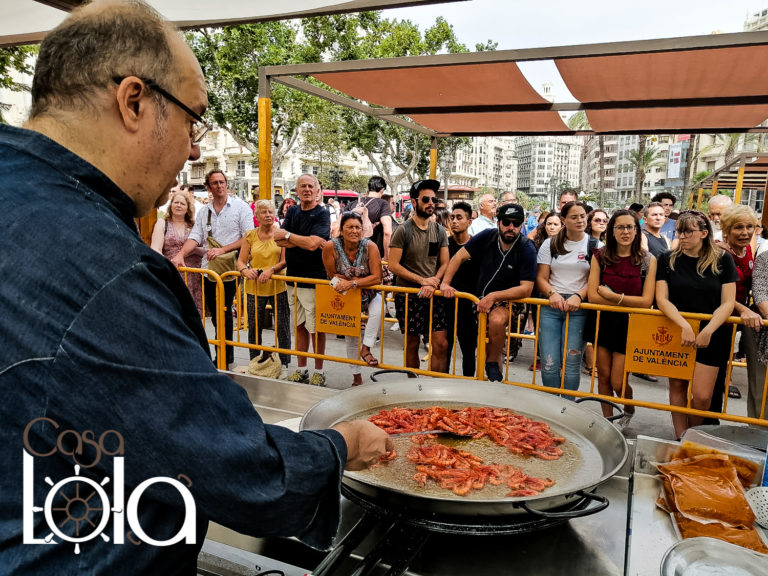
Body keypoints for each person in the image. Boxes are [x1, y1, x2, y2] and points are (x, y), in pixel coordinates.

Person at [0, 2, 390, 573]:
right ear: (134, 101)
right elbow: (239, 473)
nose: (194, 149)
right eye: (193, 119)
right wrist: (343, 444)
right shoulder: (104, 270)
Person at [656, 210, 737, 438]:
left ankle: (691, 434)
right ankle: (680, 436)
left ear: (703, 233)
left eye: (688, 232)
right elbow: (662, 299)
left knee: (702, 396)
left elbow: (728, 302)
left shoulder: (723, 259)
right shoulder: (667, 259)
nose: (682, 236)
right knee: (677, 386)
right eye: (679, 232)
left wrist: (709, 329)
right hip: (677, 328)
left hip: (712, 332)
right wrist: (683, 325)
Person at [441, 204, 537, 382]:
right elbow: (458, 257)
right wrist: (445, 283)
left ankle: (492, 363)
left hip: (508, 299)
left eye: (516, 224)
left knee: (497, 320)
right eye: (506, 222)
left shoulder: (527, 248)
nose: (511, 227)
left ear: (522, 224)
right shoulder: (486, 236)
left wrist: (493, 297)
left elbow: (526, 288)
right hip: (477, 299)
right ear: (498, 222)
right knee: (472, 345)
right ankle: (483, 379)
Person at [173, 169, 253, 368]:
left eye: (222, 182)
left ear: (227, 183)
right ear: (208, 187)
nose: (219, 186)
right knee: (216, 314)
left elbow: (249, 237)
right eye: (215, 183)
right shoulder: (204, 211)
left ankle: (225, 356)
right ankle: (222, 353)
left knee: (224, 310)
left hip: (231, 268)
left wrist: (222, 250)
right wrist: (181, 254)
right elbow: (195, 236)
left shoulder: (241, 207)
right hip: (209, 269)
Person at [587, 210, 657, 430]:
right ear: (612, 230)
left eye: (630, 227)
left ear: (637, 230)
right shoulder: (600, 256)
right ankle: (608, 422)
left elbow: (646, 301)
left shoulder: (647, 260)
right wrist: (626, 301)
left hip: (631, 325)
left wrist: (613, 297)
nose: (625, 232)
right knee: (603, 376)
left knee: (618, 381)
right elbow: (593, 296)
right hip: (603, 322)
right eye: (620, 227)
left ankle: (628, 408)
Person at [536, 201, 600, 392]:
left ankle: (567, 405)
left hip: (579, 308)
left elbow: (595, 281)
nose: (580, 220)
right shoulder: (550, 243)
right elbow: (541, 277)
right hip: (551, 306)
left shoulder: (595, 245)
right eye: (574, 217)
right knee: (549, 362)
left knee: (572, 362)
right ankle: (552, 404)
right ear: (564, 220)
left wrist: (579, 296)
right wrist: (552, 293)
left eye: (582, 216)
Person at [273, 174, 331, 386]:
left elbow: (313, 244)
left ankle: (319, 370)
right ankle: (301, 368)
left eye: (310, 186)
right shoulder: (292, 211)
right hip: (293, 279)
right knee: (299, 326)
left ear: (317, 190)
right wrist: (302, 241)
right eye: (302, 186)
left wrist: (290, 236)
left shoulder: (322, 214)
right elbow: (278, 239)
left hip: (315, 280)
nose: (306, 189)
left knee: (316, 328)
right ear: (296, 191)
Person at [388, 179, 450, 373]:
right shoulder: (403, 230)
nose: (431, 203)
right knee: (412, 344)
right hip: (408, 296)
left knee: (441, 343)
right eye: (426, 199)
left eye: (434, 199)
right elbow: (393, 265)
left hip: (433, 295)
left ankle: (436, 386)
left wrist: (433, 283)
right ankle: (413, 385)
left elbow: (445, 262)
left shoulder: (439, 230)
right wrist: (422, 281)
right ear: (414, 202)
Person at [322, 212, 383, 386]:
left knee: (378, 309)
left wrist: (353, 283)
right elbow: (331, 275)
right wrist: (348, 284)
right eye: (350, 227)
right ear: (341, 230)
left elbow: (377, 277)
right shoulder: (330, 246)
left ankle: (367, 348)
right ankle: (356, 377)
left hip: (368, 292)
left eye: (358, 227)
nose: (354, 231)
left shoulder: (370, 246)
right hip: (343, 291)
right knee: (350, 335)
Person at [236, 200, 291, 373]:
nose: (268, 215)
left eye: (270, 212)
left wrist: (271, 270)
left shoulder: (281, 233)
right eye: (264, 212)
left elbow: (284, 260)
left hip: (278, 285)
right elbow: (241, 261)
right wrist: (245, 270)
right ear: (257, 216)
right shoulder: (250, 235)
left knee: (282, 326)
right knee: (254, 327)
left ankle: (285, 363)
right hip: (254, 287)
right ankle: (255, 362)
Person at [716, 205, 760, 405]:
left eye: (749, 227)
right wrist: (744, 309)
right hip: (719, 316)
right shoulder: (718, 252)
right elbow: (716, 290)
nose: (745, 232)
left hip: (737, 318)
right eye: (738, 227)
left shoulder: (748, 249)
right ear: (726, 230)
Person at [150, 188, 204, 316]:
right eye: (176, 202)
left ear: (188, 208)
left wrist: (193, 250)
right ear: (171, 205)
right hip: (172, 273)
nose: (178, 205)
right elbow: (155, 249)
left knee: (194, 315)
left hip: (194, 276)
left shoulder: (195, 225)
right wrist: (167, 266)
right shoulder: (162, 223)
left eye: (182, 203)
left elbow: (205, 250)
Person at [441, 201, 478, 377]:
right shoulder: (444, 245)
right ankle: (443, 385)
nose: (454, 221)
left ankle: (468, 386)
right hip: (445, 304)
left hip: (469, 307)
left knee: (469, 351)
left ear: (469, 221)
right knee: (444, 348)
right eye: (452, 217)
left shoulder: (477, 246)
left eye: (459, 217)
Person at [351, 176, 393, 260]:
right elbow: (387, 232)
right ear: (382, 189)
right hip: (373, 255)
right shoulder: (383, 204)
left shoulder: (353, 204)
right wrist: (387, 257)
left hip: (352, 254)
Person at [749, 250, 768, 421]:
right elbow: (760, 295)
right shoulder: (765, 258)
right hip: (762, 333)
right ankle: (759, 431)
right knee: (760, 387)